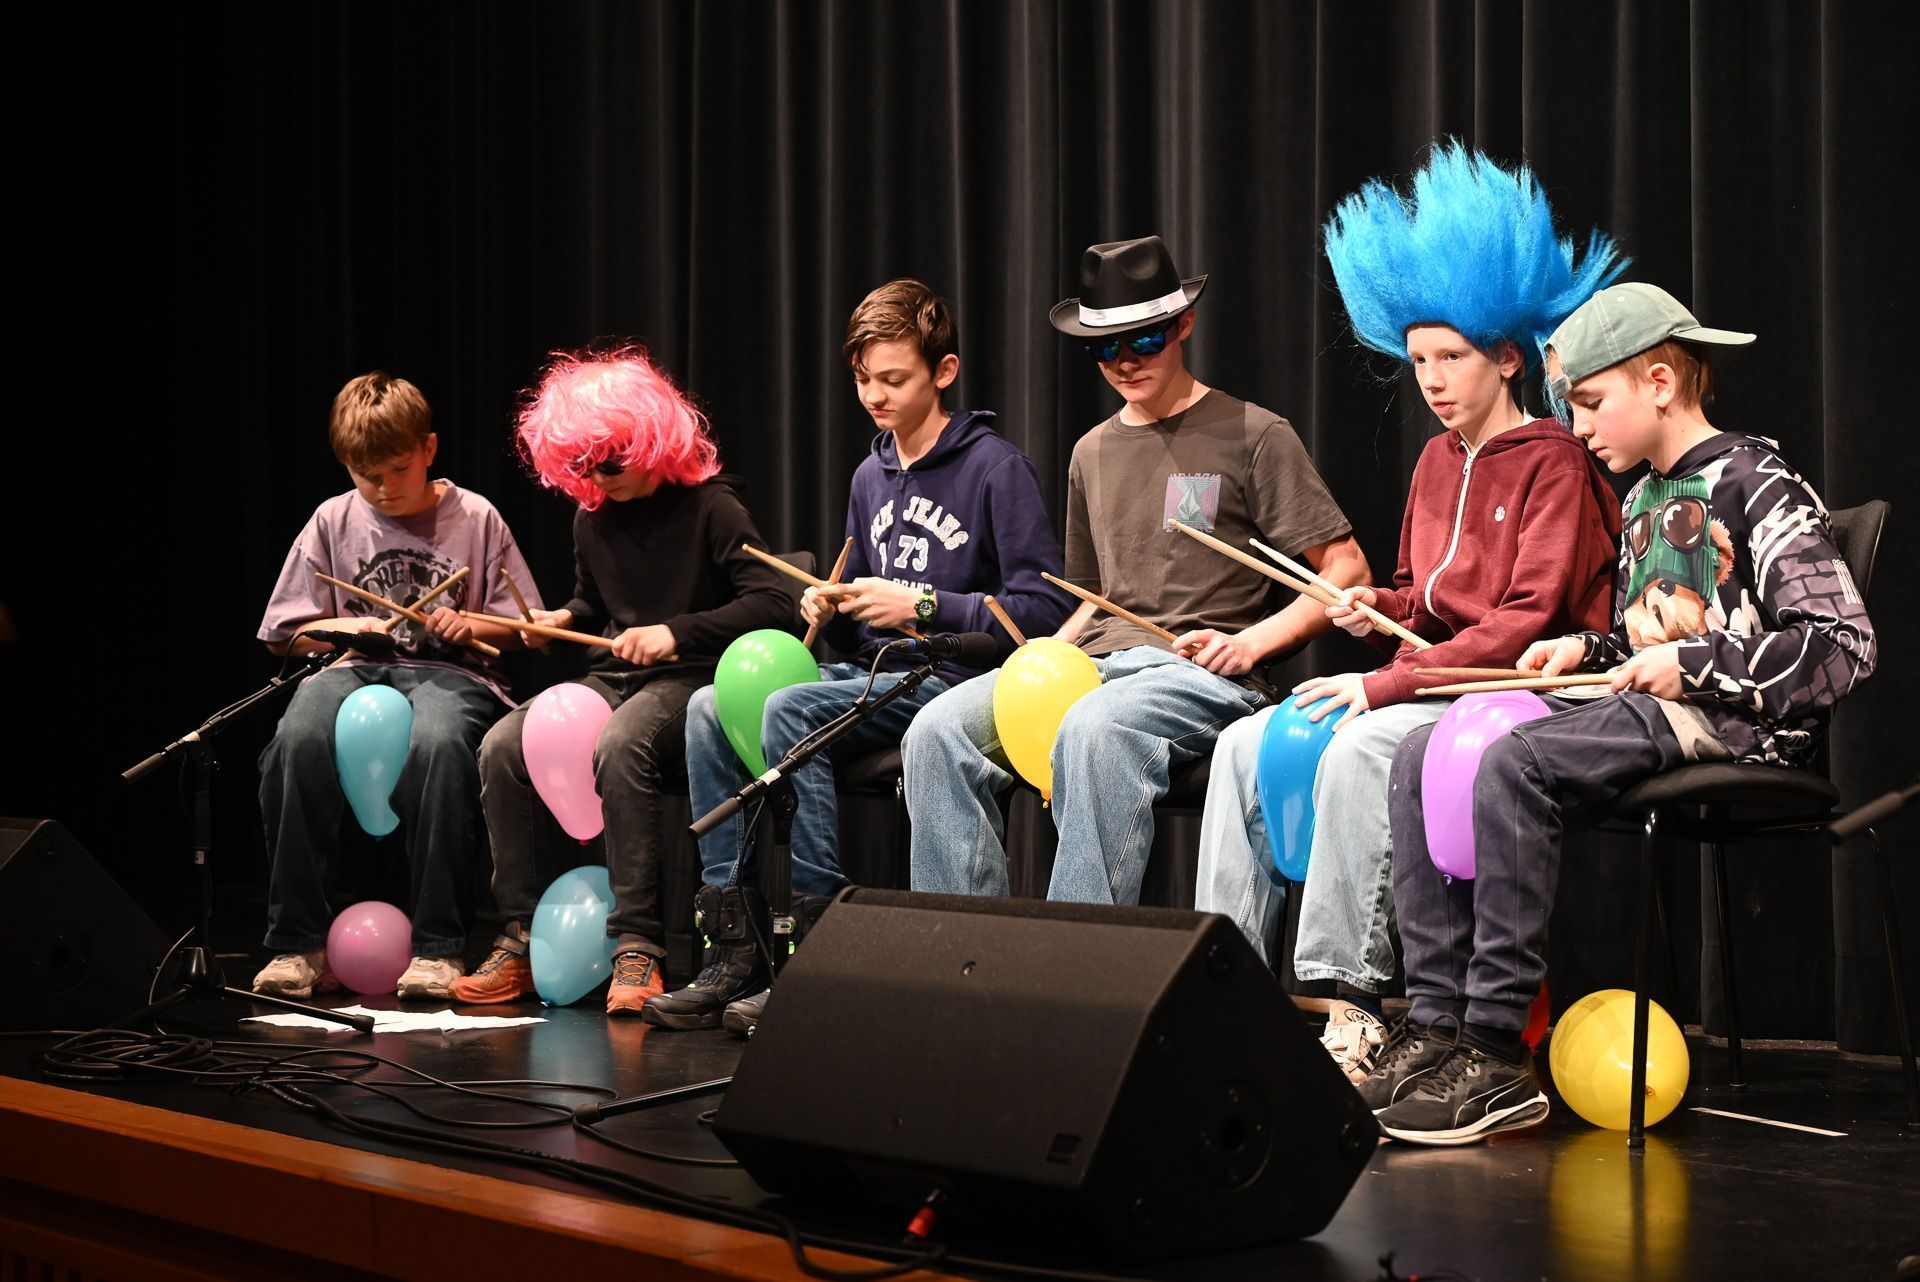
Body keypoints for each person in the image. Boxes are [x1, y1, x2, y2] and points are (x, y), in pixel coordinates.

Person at [1366, 282, 1877, 1145]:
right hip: (1662, 708)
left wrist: (1687, 663)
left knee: (1514, 762)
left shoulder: (1756, 478)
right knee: (1423, 751)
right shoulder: (1644, 498)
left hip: (1738, 729)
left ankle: (1493, 1050)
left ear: (1661, 384)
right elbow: (1641, 637)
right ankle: (1433, 1024)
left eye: (1593, 402)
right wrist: (1585, 651)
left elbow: (1843, 644)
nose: (1578, 426)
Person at [1192, 144, 1625, 1083]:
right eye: (1418, 358)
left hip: (1516, 690)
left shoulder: (1555, 460)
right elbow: (1423, 595)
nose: (1430, 378)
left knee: (1355, 744)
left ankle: (1353, 1003)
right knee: (1242, 745)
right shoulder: (1436, 460)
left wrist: (1385, 679)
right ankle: (1220, 987)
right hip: (1438, 676)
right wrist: (1372, 605)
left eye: (1452, 358)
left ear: (1507, 356)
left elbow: (1520, 620)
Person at [647, 279, 1073, 1033]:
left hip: (951, 674)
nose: (873, 395)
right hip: (872, 672)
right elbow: (855, 637)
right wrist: (832, 609)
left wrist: (927, 606)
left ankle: (818, 944)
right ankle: (732, 945)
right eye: (861, 378)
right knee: (711, 707)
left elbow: (1043, 614)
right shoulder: (868, 475)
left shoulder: (995, 468)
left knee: (789, 707)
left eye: (893, 378)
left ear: (944, 372)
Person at [905, 235, 1367, 907]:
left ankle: (1077, 978)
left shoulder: (1252, 433)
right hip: (1098, 666)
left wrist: (1252, 643)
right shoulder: (1090, 451)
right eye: (1104, 348)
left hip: (1201, 674)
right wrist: (1041, 656)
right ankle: (962, 964)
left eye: (1144, 342)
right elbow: (1095, 595)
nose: (1124, 362)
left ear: (1184, 323)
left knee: (1095, 729)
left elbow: (1347, 570)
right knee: (937, 733)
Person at [448, 347, 792, 1012]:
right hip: (616, 675)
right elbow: (592, 609)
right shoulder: (592, 517)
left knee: (622, 743)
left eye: (611, 460)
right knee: (501, 745)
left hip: (691, 679)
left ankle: (637, 947)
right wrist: (558, 620)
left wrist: (676, 632)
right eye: (581, 465)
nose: (599, 477)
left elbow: (774, 599)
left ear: (651, 438)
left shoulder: (713, 507)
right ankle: (518, 937)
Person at [254, 372, 537, 1001]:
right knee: (295, 740)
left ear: (429, 450)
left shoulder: (476, 516)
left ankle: (438, 946)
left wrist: (473, 621)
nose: (382, 489)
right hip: (352, 666)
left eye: (398, 470)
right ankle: (295, 940)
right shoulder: (332, 519)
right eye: (365, 474)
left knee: (437, 743)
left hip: (452, 672)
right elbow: (283, 636)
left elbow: (524, 630)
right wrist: (342, 625)